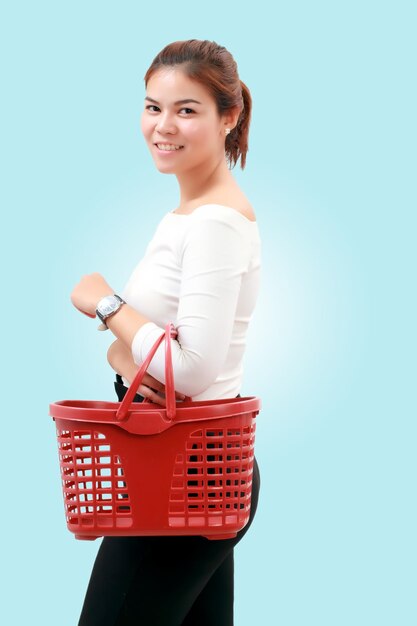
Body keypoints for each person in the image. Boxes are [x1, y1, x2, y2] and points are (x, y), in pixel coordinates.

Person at [70, 38, 262, 626]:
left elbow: (191, 368)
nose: (163, 125)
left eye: (187, 110)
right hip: (191, 471)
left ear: (228, 118)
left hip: (187, 475)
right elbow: (166, 356)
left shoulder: (215, 224)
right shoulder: (191, 214)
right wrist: (125, 354)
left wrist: (104, 303)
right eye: (153, 107)